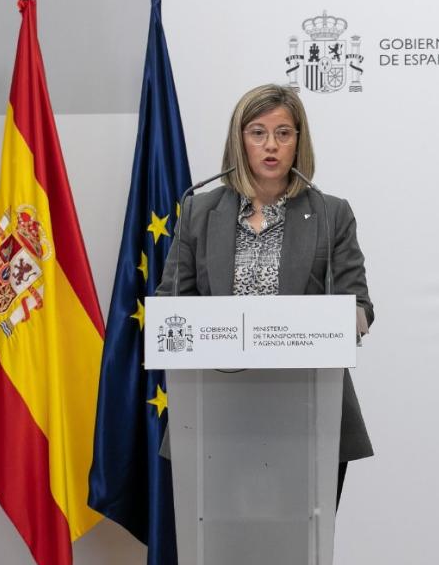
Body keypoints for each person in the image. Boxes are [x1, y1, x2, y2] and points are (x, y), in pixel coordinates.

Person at [156, 84, 374, 500]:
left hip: (310, 410)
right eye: (257, 133)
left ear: (299, 141)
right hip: (218, 409)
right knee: (228, 550)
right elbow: (172, 305)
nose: (270, 145)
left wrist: (349, 320)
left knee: (298, 553)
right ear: (240, 141)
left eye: (283, 133)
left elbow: (359, 303)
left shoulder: (331, 213)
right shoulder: (199, 211)